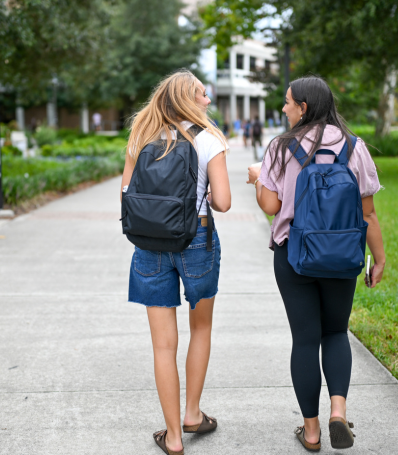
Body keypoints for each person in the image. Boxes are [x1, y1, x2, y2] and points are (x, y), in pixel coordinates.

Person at [247, 76, 385, 452]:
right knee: (336, 333)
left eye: (288, 102)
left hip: (294, 255)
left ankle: (310, 432)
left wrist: (259, 180)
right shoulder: (354, 147)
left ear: (304, 107)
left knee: (305, 340)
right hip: (342, 256)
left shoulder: (281, 147)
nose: (284, 108)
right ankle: (337, 411)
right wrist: (380, 258)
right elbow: (368, 213)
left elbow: (272, 207)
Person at [121, 70, 231, 455]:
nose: (207, 99)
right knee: (200, 329)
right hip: (196, 240)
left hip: (149, 244)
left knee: (162, 347)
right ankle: (192, 413)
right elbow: (224, 201)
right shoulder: (208, 137)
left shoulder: (142, 134)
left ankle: (172, 437)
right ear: (188, 98)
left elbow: (125, 191)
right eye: (202, 93)